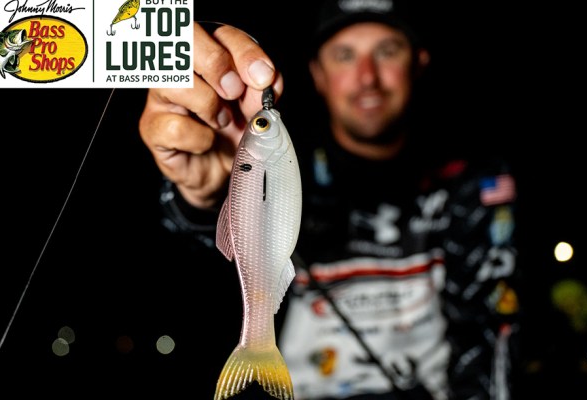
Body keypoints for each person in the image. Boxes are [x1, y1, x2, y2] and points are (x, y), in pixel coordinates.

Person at [138, 0, 521, 399]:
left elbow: (493, 333)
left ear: (419, 62)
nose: (367, 77)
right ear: (318, 74)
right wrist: (201, 196)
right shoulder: (288, 167)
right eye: (345, 55)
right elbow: (196, 278)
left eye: (387, 51)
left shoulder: (475, 183)